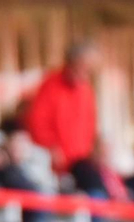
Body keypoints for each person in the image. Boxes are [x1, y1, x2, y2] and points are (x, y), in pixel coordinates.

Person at [23, 42, 98, 174]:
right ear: (71, 62)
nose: (86, 72)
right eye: (83, 66)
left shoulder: (86, 90)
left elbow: (90, 124)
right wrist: (51, 146)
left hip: (78, 160)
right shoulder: (50, 85)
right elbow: (38, 121)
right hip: (53, 161)